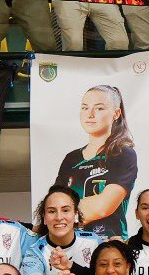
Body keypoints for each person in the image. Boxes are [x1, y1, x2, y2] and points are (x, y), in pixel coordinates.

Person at [54, 83, 138, 239]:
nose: (90, 114)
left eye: (99, 108)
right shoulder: (71, 159)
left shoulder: (123, 154)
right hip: (70, 244)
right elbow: (52, 206)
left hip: (107, 244)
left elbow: (102, 207)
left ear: (116, 113)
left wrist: (62, 212)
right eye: (85, 108)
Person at [29, 186, 99, 275]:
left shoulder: (94, 242)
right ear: (44, 217)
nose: (59, 217)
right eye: (52, 211)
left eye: (65, 210)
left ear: (75, 215)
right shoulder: (34, 251)